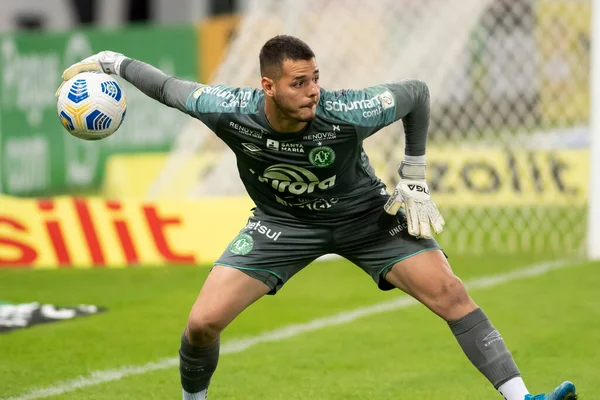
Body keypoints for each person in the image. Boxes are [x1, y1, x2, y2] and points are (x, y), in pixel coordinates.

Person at [58, 35, 577, 400]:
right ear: (268, 87)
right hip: (281, 225)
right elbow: (168, 87)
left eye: (316, 79)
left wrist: (413, 172)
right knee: (201, 324)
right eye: (300, 83)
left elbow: (416, 92)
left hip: (366, 218)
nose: (313, 92)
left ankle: (522, 397)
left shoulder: (345, 111)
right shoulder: (226, 107)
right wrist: (109, 61)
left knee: (451, 293)